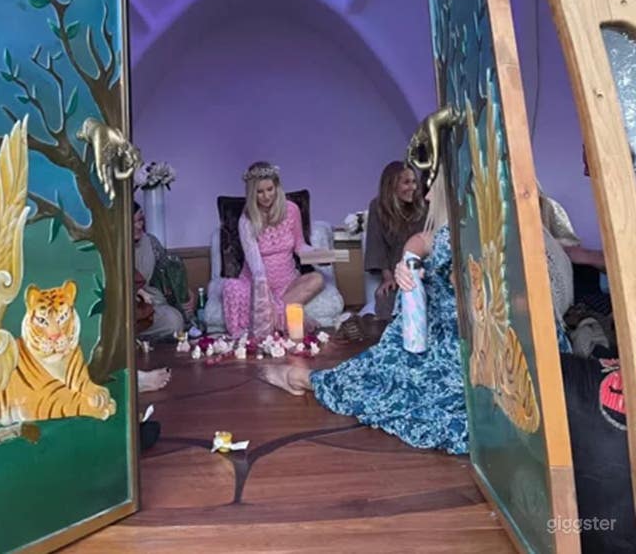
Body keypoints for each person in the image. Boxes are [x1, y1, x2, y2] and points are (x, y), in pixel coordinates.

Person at [261, 167, 572, 456]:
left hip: (490, 347)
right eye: (414, 184)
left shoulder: (504, 232)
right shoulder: (430, 226)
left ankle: (306, 378)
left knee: (412, 388)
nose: (426, 196)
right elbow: (420, 241)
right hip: (443, 333)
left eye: (431, 188)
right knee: (388, 371)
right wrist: (406, 263)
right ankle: (306, 378)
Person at [222, 162, 324, 338]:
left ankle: (274, 314)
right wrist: (264, 296)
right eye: (259, 192)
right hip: (258, 285)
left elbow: (300, 246)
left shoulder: (292, 210)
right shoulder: (246, 220)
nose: (266, 196)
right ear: (252, 193)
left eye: (270, 189)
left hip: (288, 284)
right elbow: (257, 267)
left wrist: (319, 255)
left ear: (277, 187)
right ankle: (282, 314)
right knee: (230, 287)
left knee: (317, 279)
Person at [363, 161, 426, 321]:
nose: (412, 187)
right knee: (385, 298)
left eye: (414, 182)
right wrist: (388, 278)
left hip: (424, 270)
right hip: (397, 273)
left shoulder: (424, 206)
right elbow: (377, 245)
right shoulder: (378, 207)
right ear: (391, 185)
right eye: (406, 182)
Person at [133, 202, 190, 341]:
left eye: (140, 220)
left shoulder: (151, 242)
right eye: (133, 222)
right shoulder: (115, 247)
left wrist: (186, 293)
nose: (139, 226)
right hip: (126, 309)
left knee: (174, 321)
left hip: (149, 305)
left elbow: (168, 274)